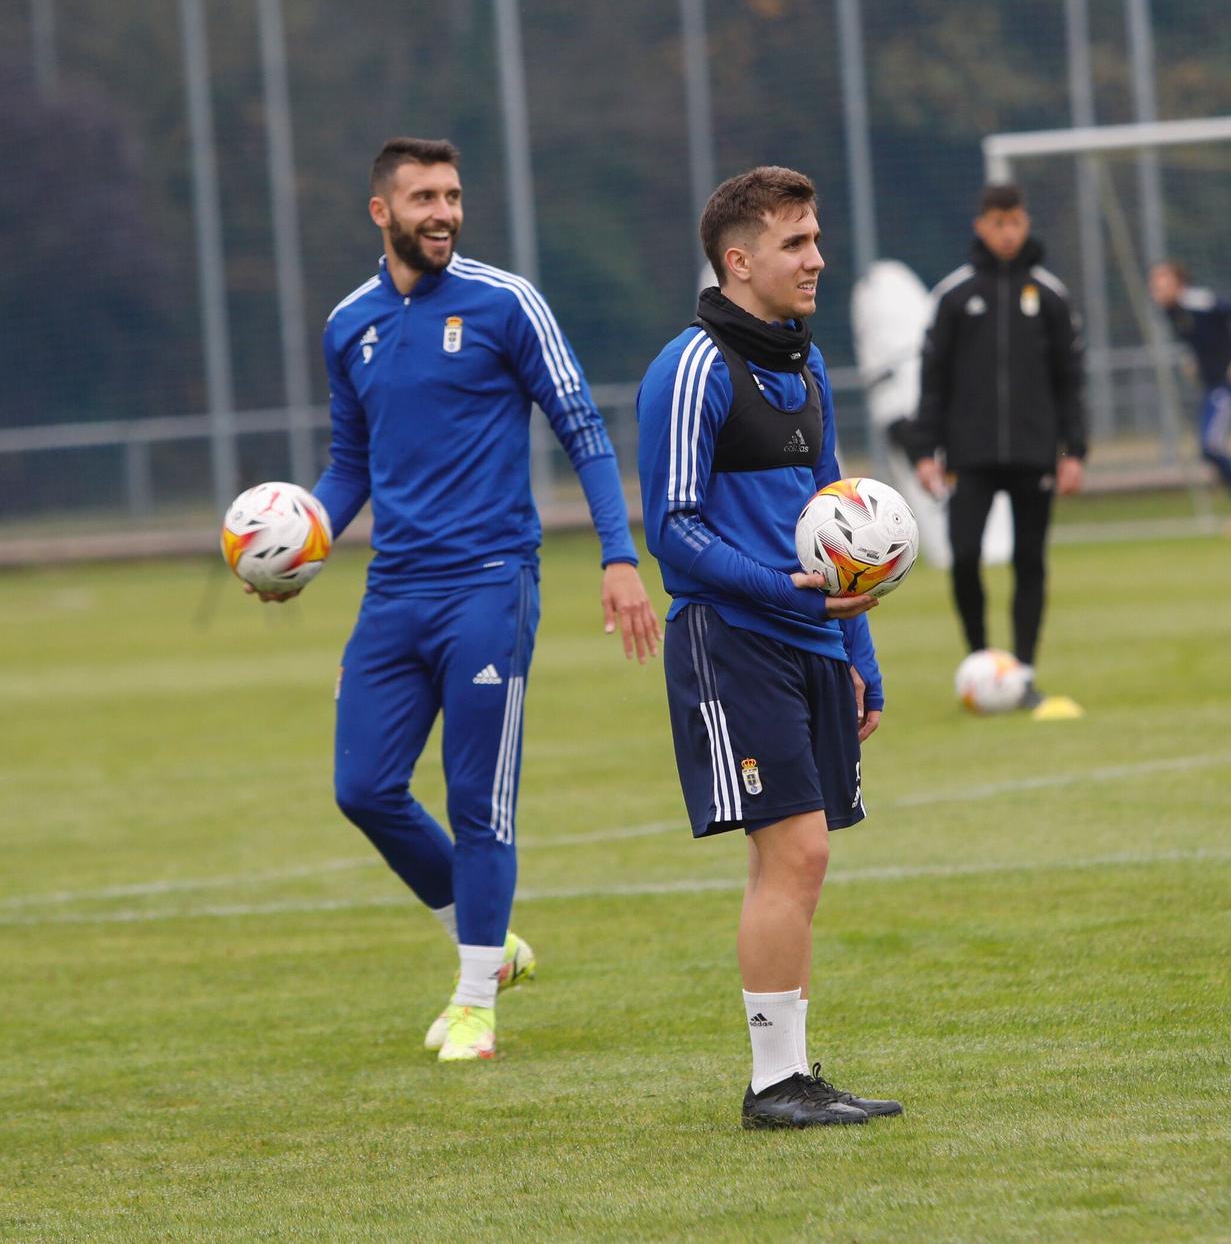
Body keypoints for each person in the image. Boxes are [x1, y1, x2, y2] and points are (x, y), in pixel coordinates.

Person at [255, 136, 659, 1062]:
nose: (443, 212)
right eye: (424, 197)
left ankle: (475, 1002)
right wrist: (300, 544)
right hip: (394, 590)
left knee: (479, 800)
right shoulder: (347, 323)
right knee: (362, 787)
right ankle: (492, 943)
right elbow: (352, 462)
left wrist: (617, 554)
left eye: (453, 195)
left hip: (489, 584)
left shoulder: (506, 302)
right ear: (380, 212)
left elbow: (583, 428)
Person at [636, 166, 902, 1128]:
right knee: (796, 848)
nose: (817, 258)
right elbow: (670, 526)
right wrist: (771, 585)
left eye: (817, 238)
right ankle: (774, 1086)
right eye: (796, 244)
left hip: (812, 643)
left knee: (801, 858)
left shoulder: (808, 364)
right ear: (738, 261)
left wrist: (860, 653)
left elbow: (837, 523)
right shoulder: (693, 367)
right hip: (732, 637)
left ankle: (786, 1076)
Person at [907, 183, 1087, 707]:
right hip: (971, 454)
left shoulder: (1049, 294)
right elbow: (932, 378)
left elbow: (1069, 378)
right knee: (965, 556)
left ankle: (1023, 673)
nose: (1007, 233)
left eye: (1015, 222)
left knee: (1029, 559)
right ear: (981, 226)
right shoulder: (956, 295)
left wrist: (1074, 450)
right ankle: (982, 663)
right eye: (997, 223)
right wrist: (925, 450)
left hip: (1034, 452)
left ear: (1025, 224)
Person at [1148, 260, 1231, 537]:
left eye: (1162, 282)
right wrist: (1193, 359)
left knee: (1211, 444)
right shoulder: (1171, 312)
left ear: (1179, 283)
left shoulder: (1199, 302)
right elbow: (1200, 338)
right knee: (1207, 449)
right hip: (1212, 386)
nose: (1156, 289)